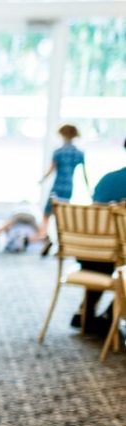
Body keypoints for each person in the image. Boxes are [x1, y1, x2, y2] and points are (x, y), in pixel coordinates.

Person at [73, 137, 126, 335]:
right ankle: (110, 316)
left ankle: (87, 311)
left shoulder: (107, 179)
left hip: (89, 253)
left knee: (105, 258)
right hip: (118, 256)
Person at [34, 124, 90, 249]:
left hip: (57, 186)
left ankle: (45, 237)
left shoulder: (58, 152)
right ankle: (61, 242)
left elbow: (51, 170)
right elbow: (84, 173)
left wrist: (42, 180)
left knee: (47, 213)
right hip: (69, 187)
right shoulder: (79, 153)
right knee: (62, 216)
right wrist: (88, 189)